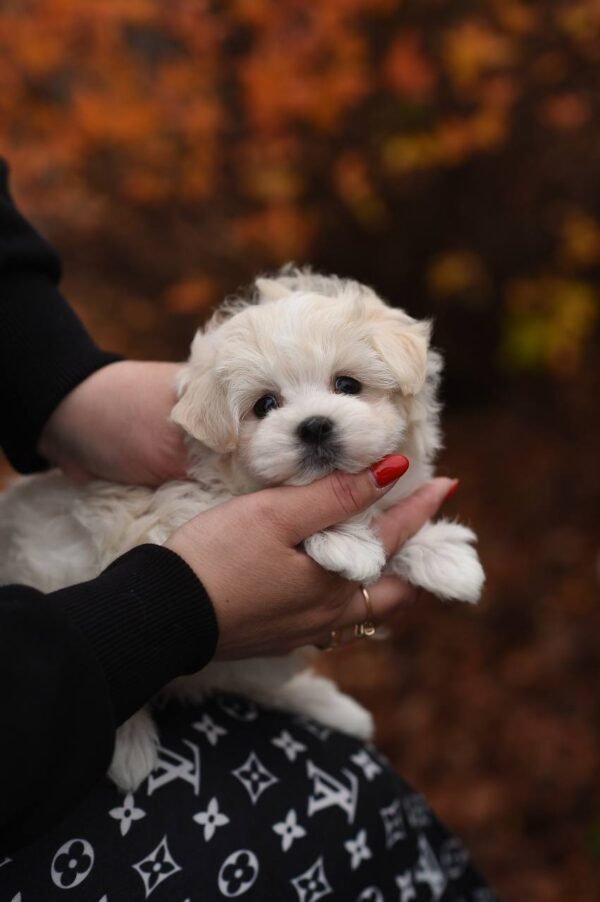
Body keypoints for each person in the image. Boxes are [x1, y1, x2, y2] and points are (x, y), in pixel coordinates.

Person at [0, 160, 494, 899]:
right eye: (266, 404)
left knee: (358, 787)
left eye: (348, 385)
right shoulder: (197, 482)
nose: (316, 419)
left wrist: (68, 389)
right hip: (50, 680)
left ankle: (279, 697)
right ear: (218, 427)